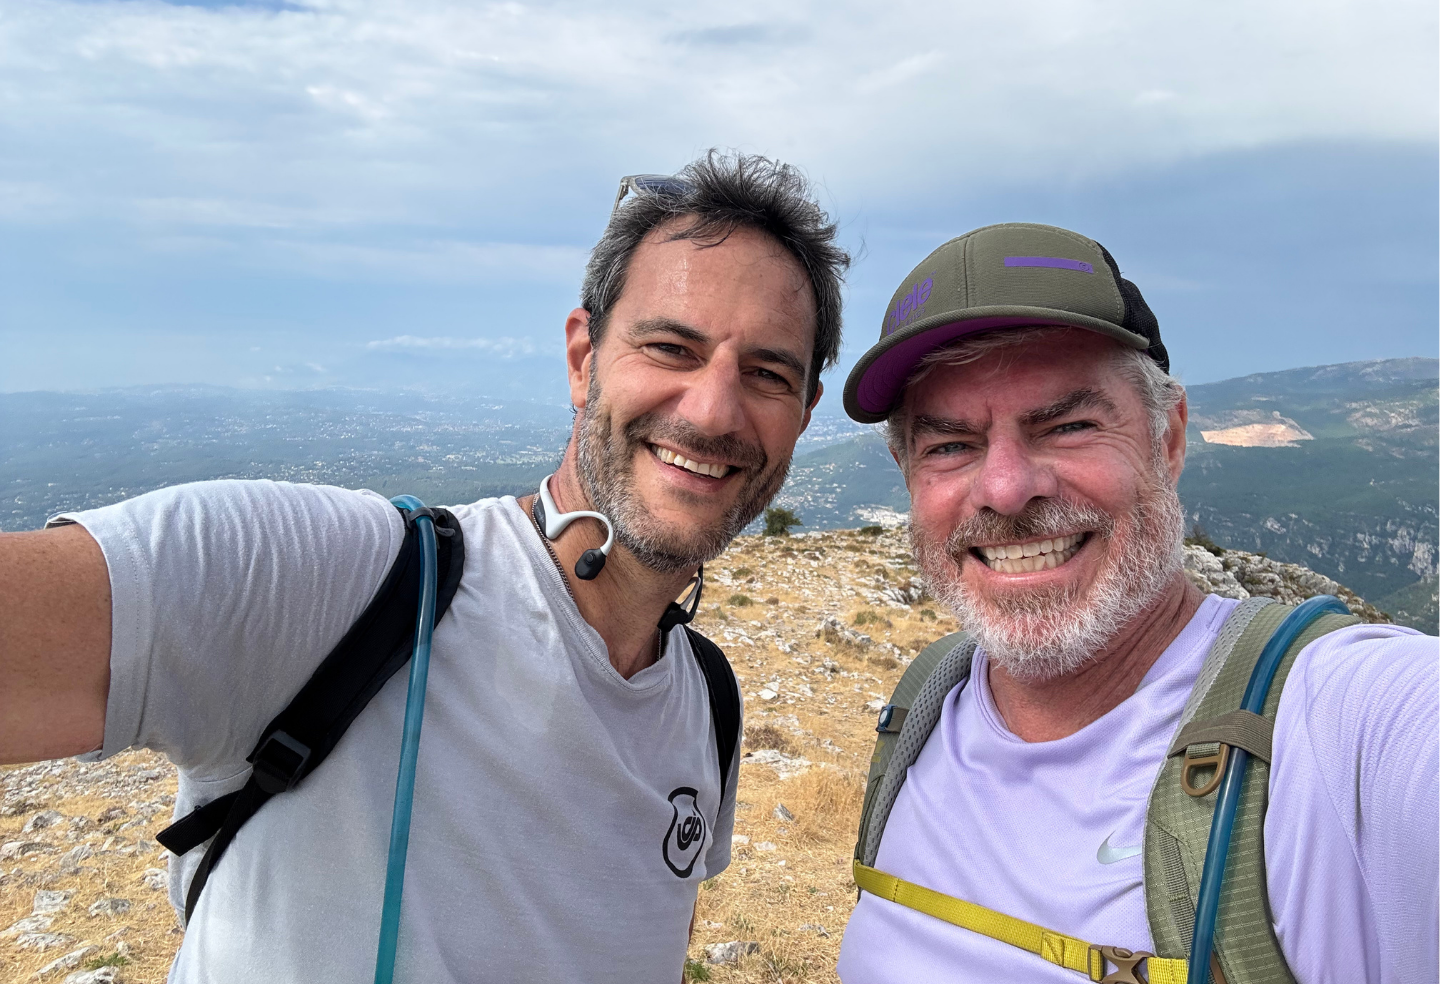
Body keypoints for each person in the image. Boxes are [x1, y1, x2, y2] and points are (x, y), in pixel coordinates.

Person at [0, 152, 850, 983]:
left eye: (768, 372)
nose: (713, 408)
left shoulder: (707, 705)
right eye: (670, 347)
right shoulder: (339, 583)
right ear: (583, 358)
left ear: (804, 412)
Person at [834, 222, 1440, 983]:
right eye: (950, 445)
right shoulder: (924, 712)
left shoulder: (1343, 724)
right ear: (906, 470)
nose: (1006, 488)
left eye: (1068, 425)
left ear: (1170, 439)